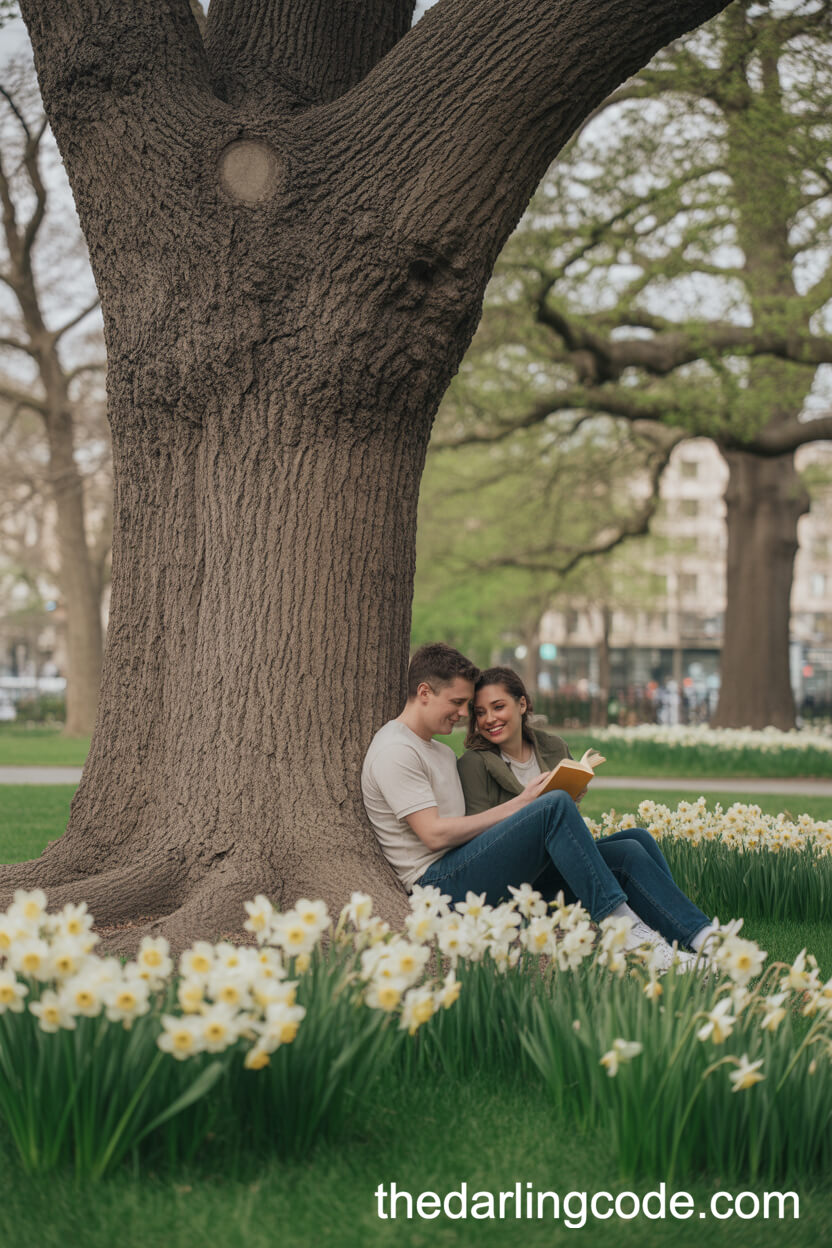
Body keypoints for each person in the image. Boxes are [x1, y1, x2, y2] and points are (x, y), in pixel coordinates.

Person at [361, 645, 715, 970]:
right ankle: (625, 933)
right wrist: (524, 804)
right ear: (424, 692)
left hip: (466, 865)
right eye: (457, 702)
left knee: (628, 848)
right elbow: (434, 835)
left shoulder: (437, 749)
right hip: (436, 886)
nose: (462, 714)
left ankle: (703, 941)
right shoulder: (396, 749)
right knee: (552, 804)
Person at [456, 666, 716, 963]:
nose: (489, 719)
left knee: (638, 838)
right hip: (521, 881)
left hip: (557, 864)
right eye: (480, 712)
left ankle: (681, 939)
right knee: (627, 851)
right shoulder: (475, 763)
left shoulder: (553, 747)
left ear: (522, 704)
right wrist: (535, 807)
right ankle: (681, 940)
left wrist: (572, 797)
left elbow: (566, 826)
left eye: (498, 707)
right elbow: (481, 842)